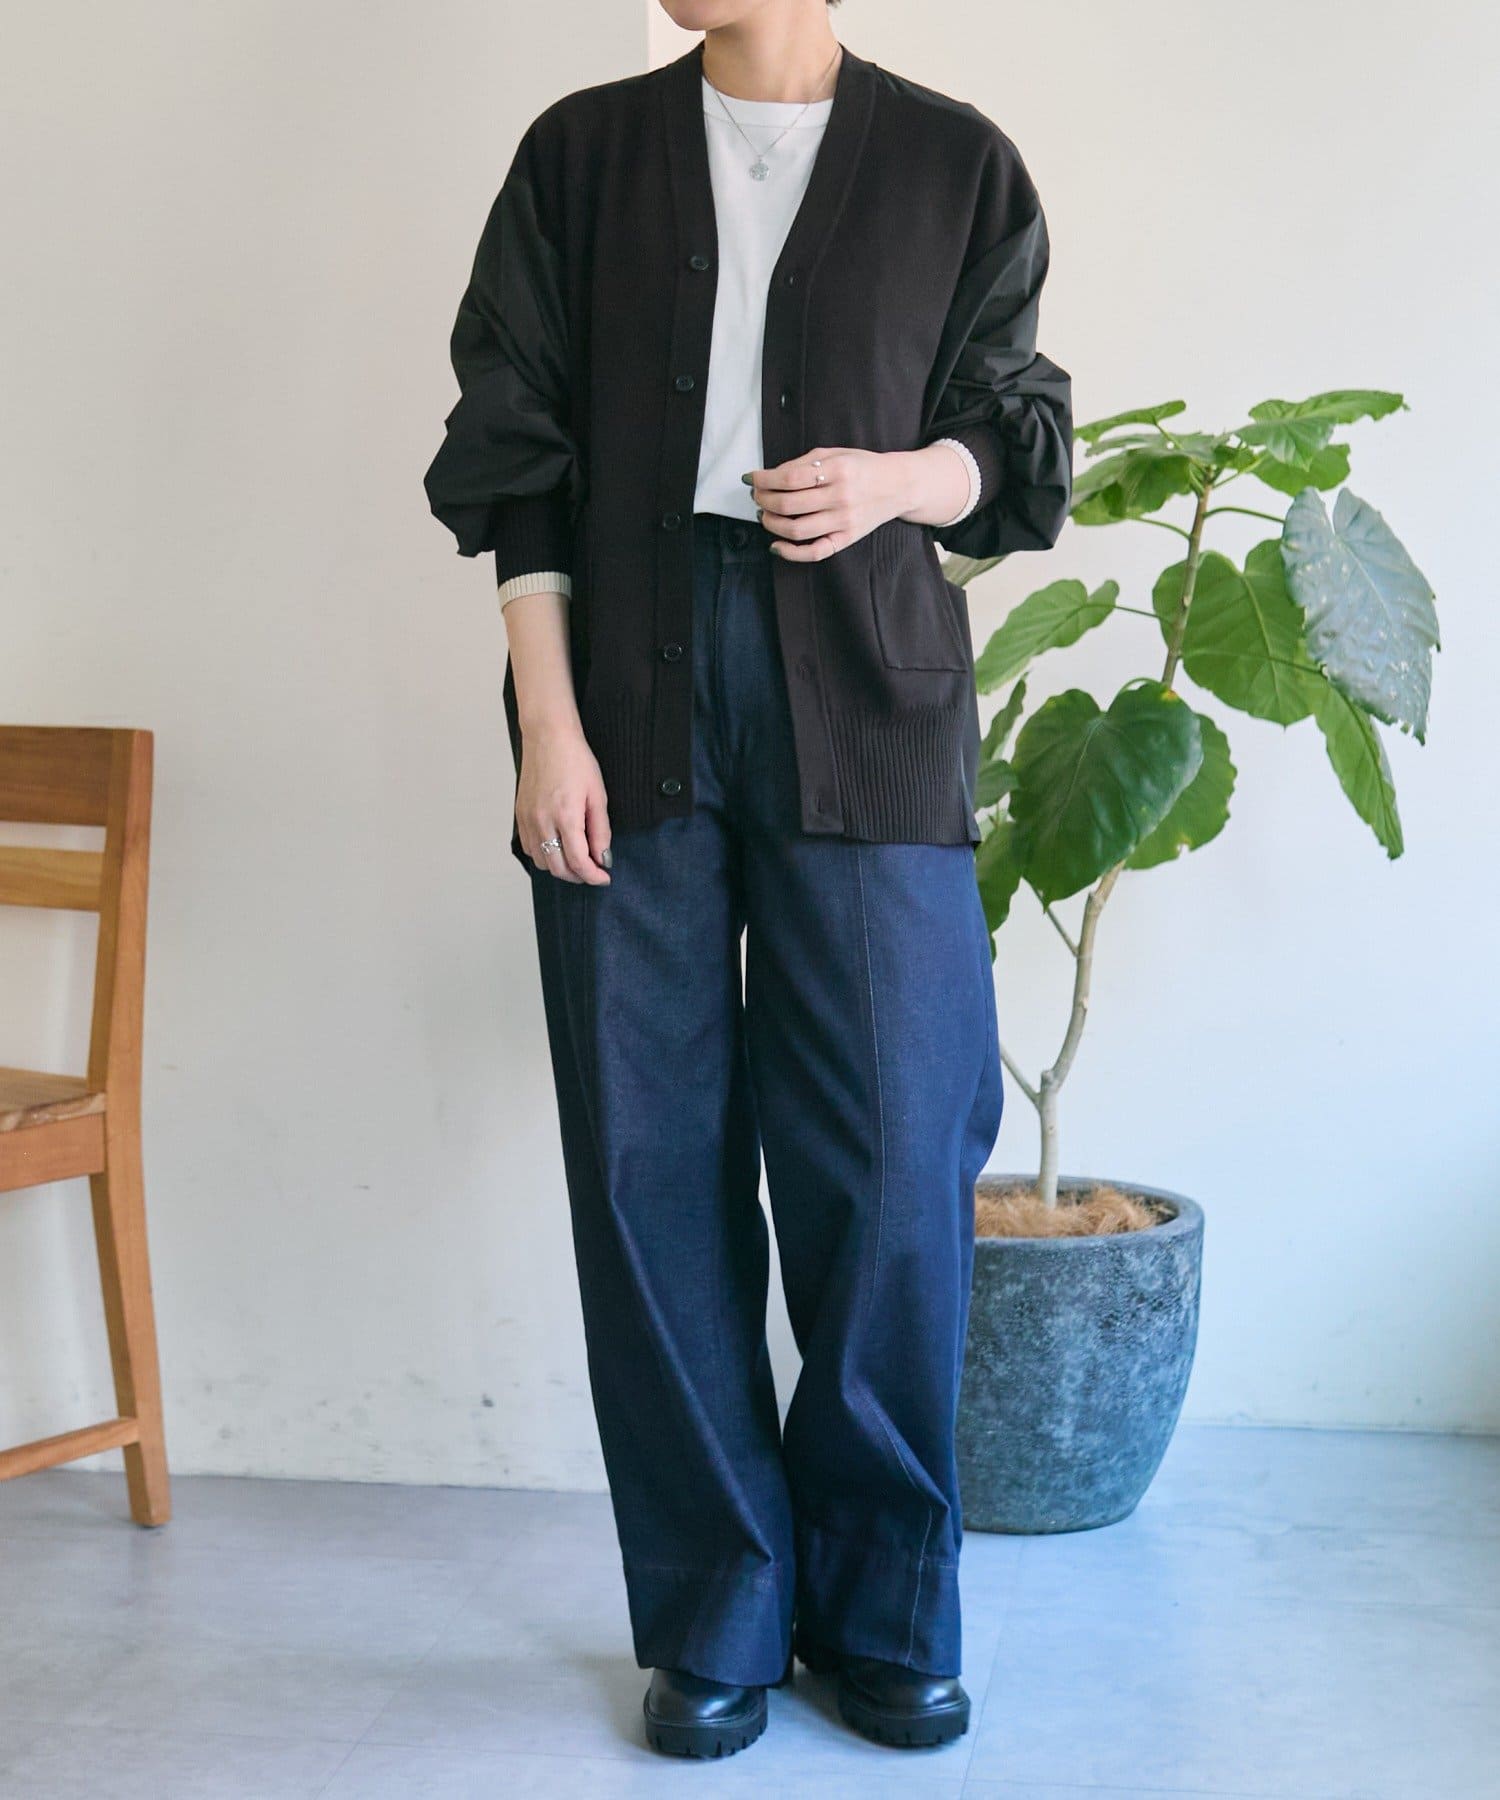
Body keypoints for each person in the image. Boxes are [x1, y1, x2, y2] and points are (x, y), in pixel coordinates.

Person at [423, 0, 1072, 1760]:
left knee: (891, 1151)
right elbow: (517, 458)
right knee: (646, 1158)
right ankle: (719, 1606)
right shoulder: (580, 157)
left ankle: (886, 1605)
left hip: (865, 692)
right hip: (619, 693)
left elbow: (1017, 439)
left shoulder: (953, 163)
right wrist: (545, 726)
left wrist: (897, 480)